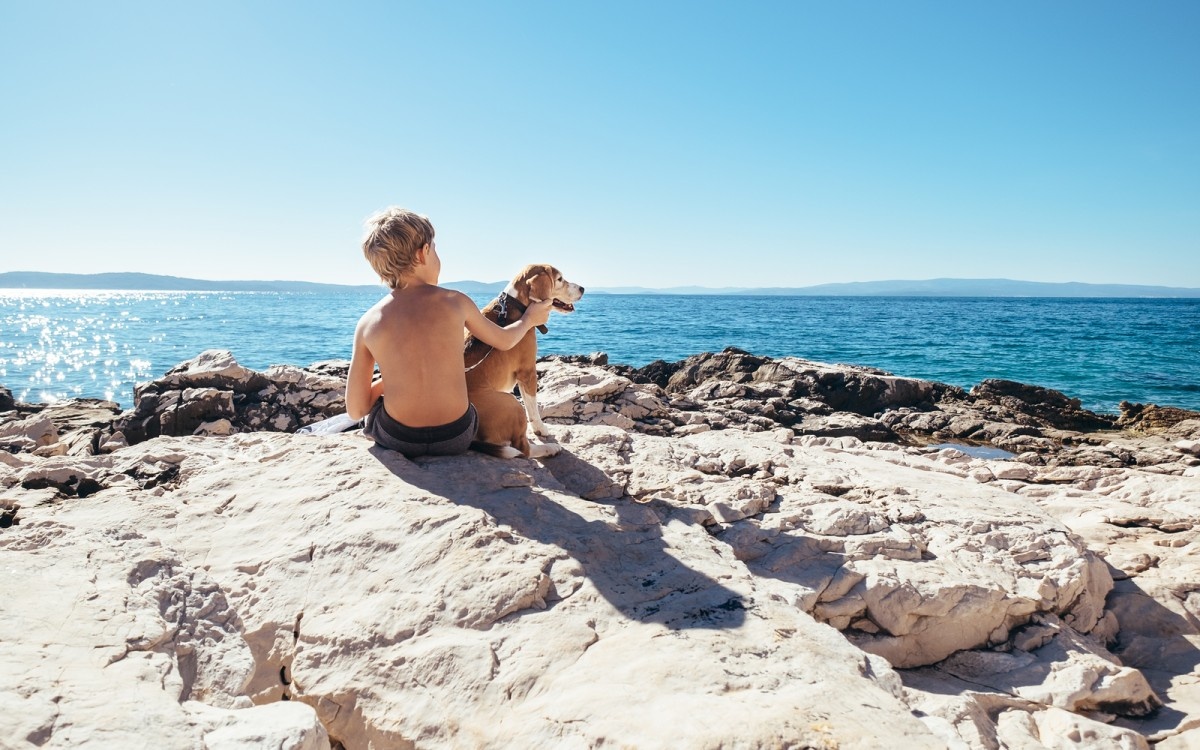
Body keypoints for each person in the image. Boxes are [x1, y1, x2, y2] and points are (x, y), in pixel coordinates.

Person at [346, 207, 552, 458]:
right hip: (457, 435)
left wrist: (387, 382)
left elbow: (356, 410)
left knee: (378, 410)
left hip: (399, 439)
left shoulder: (368, 323)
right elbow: (505, 341)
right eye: (435, 249)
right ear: (423, 253)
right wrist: (529, 319)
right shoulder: (456, 302)